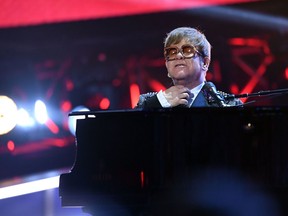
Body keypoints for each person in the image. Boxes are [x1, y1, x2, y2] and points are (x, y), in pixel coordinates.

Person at [135, 27, 242, 108]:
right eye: (172, 52)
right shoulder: (148, 102)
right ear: (167, 65)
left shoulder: (229, 104)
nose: (178, 55)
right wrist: (160, 102)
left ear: (205, 62)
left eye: (187, 50)